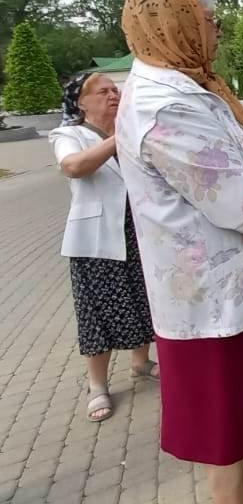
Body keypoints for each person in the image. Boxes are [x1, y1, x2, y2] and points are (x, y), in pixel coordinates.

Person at [115, 0, 243, 504]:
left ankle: (242, 495)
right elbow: (233, 197)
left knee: (237, 416)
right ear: (175, 24)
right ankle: (231, 499)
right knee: (227, 421)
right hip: (212, 298)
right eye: (209, 20)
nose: (217, 31)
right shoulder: (166, 106)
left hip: (220, 285)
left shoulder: (181, 85)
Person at [50, 73, 158, 424]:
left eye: (116, 90)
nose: (113, 95)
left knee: (143, 298)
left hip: (139, 230)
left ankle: (141, 363)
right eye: (103, 91)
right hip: (96, 238)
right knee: (97, 311)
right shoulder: (69, 134)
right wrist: (119, 139)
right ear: (81, 101)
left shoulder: (131, 128)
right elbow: (73, 167)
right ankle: (97, 385)